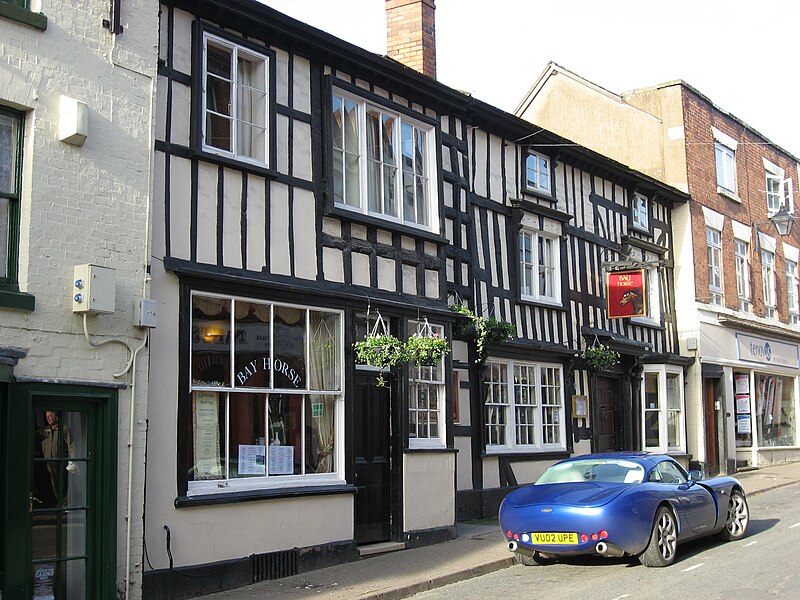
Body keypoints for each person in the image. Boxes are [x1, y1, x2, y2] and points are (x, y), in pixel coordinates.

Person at [39, 410, 78, 505]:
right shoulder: (43, 431)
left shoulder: (63, 429)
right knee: (50, 484)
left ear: (56, 417)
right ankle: (55, 503)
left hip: (61, 462)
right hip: (47, 463)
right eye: (46, 416)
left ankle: (64, 504)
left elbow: (71, 446)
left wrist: (72, 461)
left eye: (50, 416)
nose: (48, 418)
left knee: (62, 483)